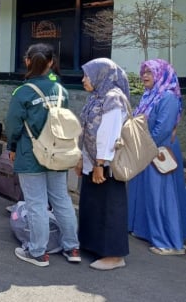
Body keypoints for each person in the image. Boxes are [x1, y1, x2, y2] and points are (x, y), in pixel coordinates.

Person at [5, 43, 80, 267]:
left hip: (30, 154)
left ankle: (38, 252)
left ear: (27, 61)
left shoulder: (23, 92)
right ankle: (72, 247)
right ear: (50, 63)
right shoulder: (61, 91)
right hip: (58, 153)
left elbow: (13, 125)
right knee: (62, 200)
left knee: (36, 203)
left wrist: (11, 147)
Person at [76, 57, 130, 270]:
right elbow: (87, 130)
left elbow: (109, 134)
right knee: (93, 204)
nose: (83, 80)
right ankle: (93, 246)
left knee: (109, 206)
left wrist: (100, 164)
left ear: (101, 75)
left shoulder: (113, 99)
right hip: (92, 161)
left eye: (87, 75)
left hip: (106, 164)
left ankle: (114, 255)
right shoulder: (97, 96)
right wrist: (82, 159)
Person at [128, 59, 186, 255]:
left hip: (159, 152)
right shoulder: (150, 95)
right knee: (147, 193)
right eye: (144, 72)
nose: (145, 76)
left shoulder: (168, 97)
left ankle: (169, 242)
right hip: (147, 150)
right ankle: (147, 231)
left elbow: (163, 129)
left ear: (161, 75)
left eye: (150, 73)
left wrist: (143, 146)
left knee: (161, 196)